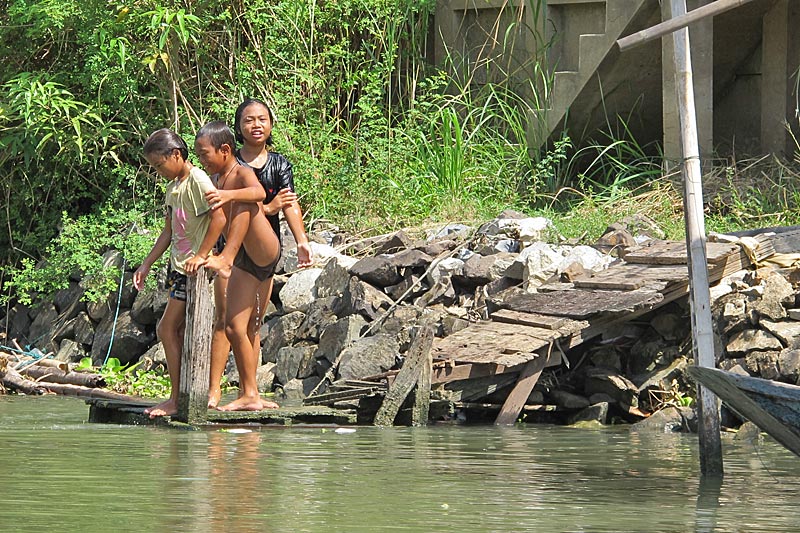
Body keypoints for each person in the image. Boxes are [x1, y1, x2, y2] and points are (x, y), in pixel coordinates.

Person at [205, 99, 313, 409]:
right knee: (225, 321)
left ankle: (249, 392)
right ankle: (215, 391)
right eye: (249, 120)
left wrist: (302, 240)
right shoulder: (228, 163)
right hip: (232, 250)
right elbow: (225, 207)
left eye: (263, 119)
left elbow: (289, 203)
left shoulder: (278, 164)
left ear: (271, 125)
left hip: (263, 250)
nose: (256, 125)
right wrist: (267, 207)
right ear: (237, 127)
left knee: (252, 322)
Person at [133, 128, 226, 419]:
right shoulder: (174, 186)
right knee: (179, 331)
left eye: (160, 165)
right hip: (178, 267)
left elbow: (219, 218)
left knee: (165, 328)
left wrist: (202, 255)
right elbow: (168, 232)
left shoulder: (198, 180)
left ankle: (176, 398)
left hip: (194, 270)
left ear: (176, 155)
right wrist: (146, 264)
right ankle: (183, 393)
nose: (158, 172)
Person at [195, 121, 283, 411]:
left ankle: (226, 258)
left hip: (263, 252)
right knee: (234, 328)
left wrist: (230, 195)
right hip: (245, 258)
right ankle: (250, 394)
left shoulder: (241, 172)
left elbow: (257, 194)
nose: (202, 160)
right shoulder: (217, 179)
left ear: (225, 150)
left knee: (246, 203)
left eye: (204, 154)